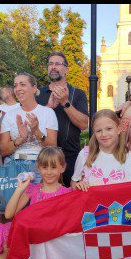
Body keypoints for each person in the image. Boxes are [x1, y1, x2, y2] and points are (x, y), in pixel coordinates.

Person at [36, 51, 90, 184]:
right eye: (50, 64)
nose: (53, 67)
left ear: (66, 69)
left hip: (70, 158)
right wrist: (49, 108)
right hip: (44, 158)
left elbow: (84, 125)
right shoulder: (37, 93)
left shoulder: (78, 94)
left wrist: (65, 103)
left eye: (57, 64)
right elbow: (30, 124)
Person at [0, 73, 58, 167]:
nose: (18, 89)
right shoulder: (9, 115)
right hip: (14, 166)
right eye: (15, 86)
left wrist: (37, 132)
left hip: (41, 166)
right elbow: (3, 151)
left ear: (34, 88)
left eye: (22, 84)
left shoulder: (48, 112)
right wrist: (20, 139)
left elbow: (53, 147)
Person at [71, 109, 131, 190]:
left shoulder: (127, 156)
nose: (104, 134)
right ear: (94, 132)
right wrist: (79, 185)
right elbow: (74, 183)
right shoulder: (85, 154)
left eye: (109, 129)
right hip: (92, 202)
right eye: (98, 131)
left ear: (119, 129)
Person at [5, 146, 74, 219]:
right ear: (39, 168)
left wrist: (82, 186)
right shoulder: (32, 190)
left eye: (53, 167)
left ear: (62, 168)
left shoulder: (68, 193)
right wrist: (19, 189)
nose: (49, 172)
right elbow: (8, 215)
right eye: (44, 167)